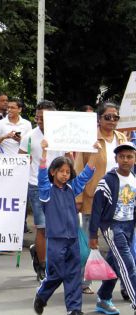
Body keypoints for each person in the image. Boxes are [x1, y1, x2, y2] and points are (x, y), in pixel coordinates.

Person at [33, 139, 99, 315]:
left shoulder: (72, 188)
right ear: (53, 172)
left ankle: (74, 309)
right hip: (56, 240)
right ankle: (41, 295)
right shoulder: (46, 191)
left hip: (72, 239)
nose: (65, 174)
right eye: (61, 171)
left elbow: (86, 174)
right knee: (56, 274)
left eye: (68, 172)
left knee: (73, 275)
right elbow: (41, 175)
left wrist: (94, 153)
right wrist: (44, 152)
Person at [74, 101, 128, 295]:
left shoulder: (122, 138)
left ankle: (125, 283)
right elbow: (79, 167)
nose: (112, 120)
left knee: (122, 245)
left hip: (120, 200)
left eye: (116, 117)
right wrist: (78, 196)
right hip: (93, 198)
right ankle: (83, 281)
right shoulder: (90, 140)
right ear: (99, 119)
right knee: (90, 241)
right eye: (108, 117)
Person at [19, 100, 64, 281]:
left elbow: (70, 157)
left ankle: (39, 254)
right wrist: (25, 162)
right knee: (43, 227)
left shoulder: (63, 135)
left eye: (43, 117)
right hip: (37, 185)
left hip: (60, 186)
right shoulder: (29, 136)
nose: (39, 121)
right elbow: (20, 160)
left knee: (57, 228)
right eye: (37, 117)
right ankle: (43, 267)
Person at [89, 142, 136, 315]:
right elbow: (96, 209)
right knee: (128, 264)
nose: (125, 160)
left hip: (129, 226)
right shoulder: (107, 181)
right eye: (122, 156)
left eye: (129, 156)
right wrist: (93, 234)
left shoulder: (134, 178)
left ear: (135, 159)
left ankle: (103, 298)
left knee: (115, 265)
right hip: (112, 227)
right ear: (116, 159)